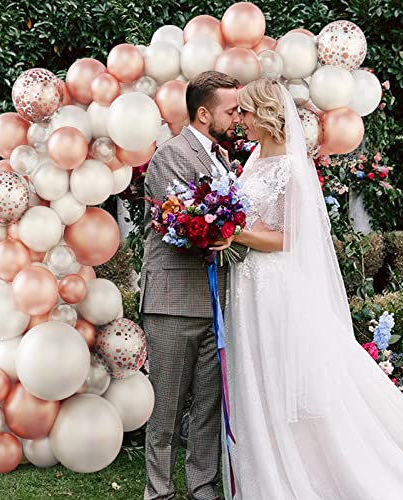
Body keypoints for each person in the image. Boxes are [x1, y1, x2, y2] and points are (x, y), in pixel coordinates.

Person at [217, 79, 403, 499]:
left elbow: (291, 237)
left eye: (246, 113)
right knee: (258, 372)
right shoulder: (252, 159)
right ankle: (267, 463)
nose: (241, 122)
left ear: (267, 114)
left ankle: (312, 466)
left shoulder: (291, 166)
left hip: (276, 288)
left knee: (291, 373)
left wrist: (235, 233)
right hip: (248, 285)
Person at [141, 70, 245, 500]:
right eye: (231, 110)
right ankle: (159, 492)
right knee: (164, 408)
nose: (238, 117)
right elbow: (185, 221)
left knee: (207, 406)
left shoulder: (222, 158)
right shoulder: (171, 155)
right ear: (204, 114)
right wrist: (225, 228)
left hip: (214, 302)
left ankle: (203, 487)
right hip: (172, 301)